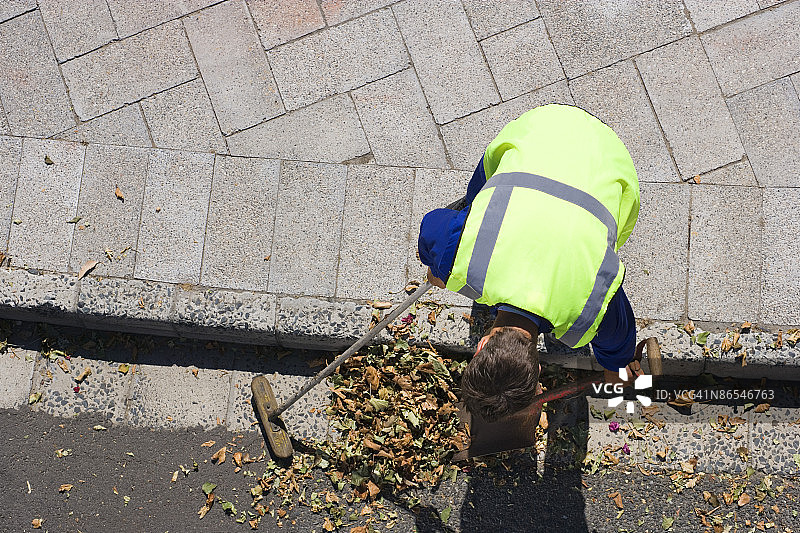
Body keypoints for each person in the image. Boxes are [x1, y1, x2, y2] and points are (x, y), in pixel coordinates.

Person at [418, 104, 643, 423]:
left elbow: (618, 331)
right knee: (476, 201)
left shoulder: (588, 309)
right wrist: (435, 266)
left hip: (610, 157)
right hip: (540, 130)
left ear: (537, 369)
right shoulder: (459, 259)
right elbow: (432, 226)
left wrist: (616, 367)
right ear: (482, 345)